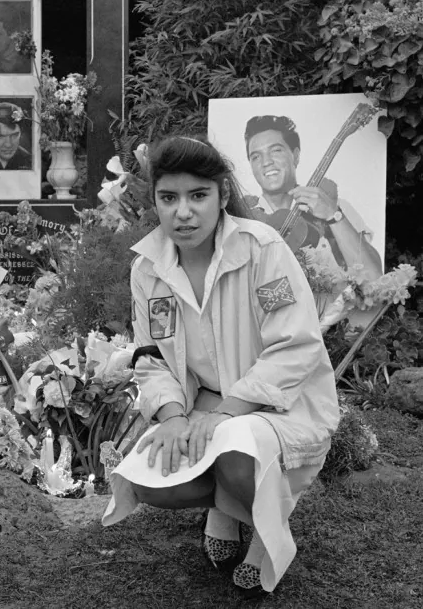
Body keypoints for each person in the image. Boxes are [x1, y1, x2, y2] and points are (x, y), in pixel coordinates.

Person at [102, 135, 339, 597]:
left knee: (235, 448)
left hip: (279, 407)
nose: (183, 212)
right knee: (152, 476)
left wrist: (226, 412)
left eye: (198, 196)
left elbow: (296, 345)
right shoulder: (147, 269)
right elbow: (150, 358)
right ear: (154, 201)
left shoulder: (262, 250)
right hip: (204, 405)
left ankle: (269, 541)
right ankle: (227, 508)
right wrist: (172, 418)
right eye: (168, 198)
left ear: (223, 196)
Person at [243, 115, 382, 279]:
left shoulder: (336, 207)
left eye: (276, 150)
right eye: (256, 157)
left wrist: (333, 215)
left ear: (295, 156)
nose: (266, 162)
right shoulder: (242, 218)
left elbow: (374, 280)